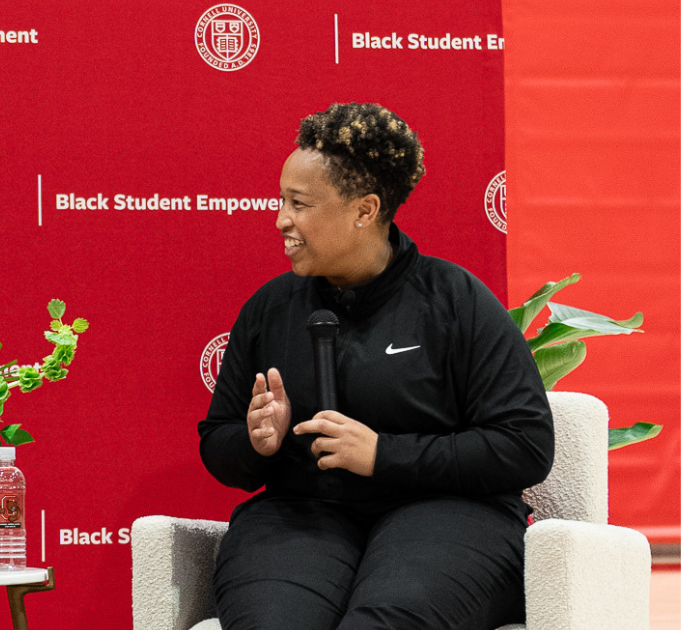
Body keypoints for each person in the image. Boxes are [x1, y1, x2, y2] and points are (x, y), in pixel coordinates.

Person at [198, 103, 555, 630]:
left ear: (365, 210)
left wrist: (383, 455)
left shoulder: (455, 301)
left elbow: (524, 445)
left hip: (449, 513)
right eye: (281, 200)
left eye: (299, 204)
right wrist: (255, 443)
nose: (281, 220)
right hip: (304, 512)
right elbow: (217, 442)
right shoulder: (270, 309)